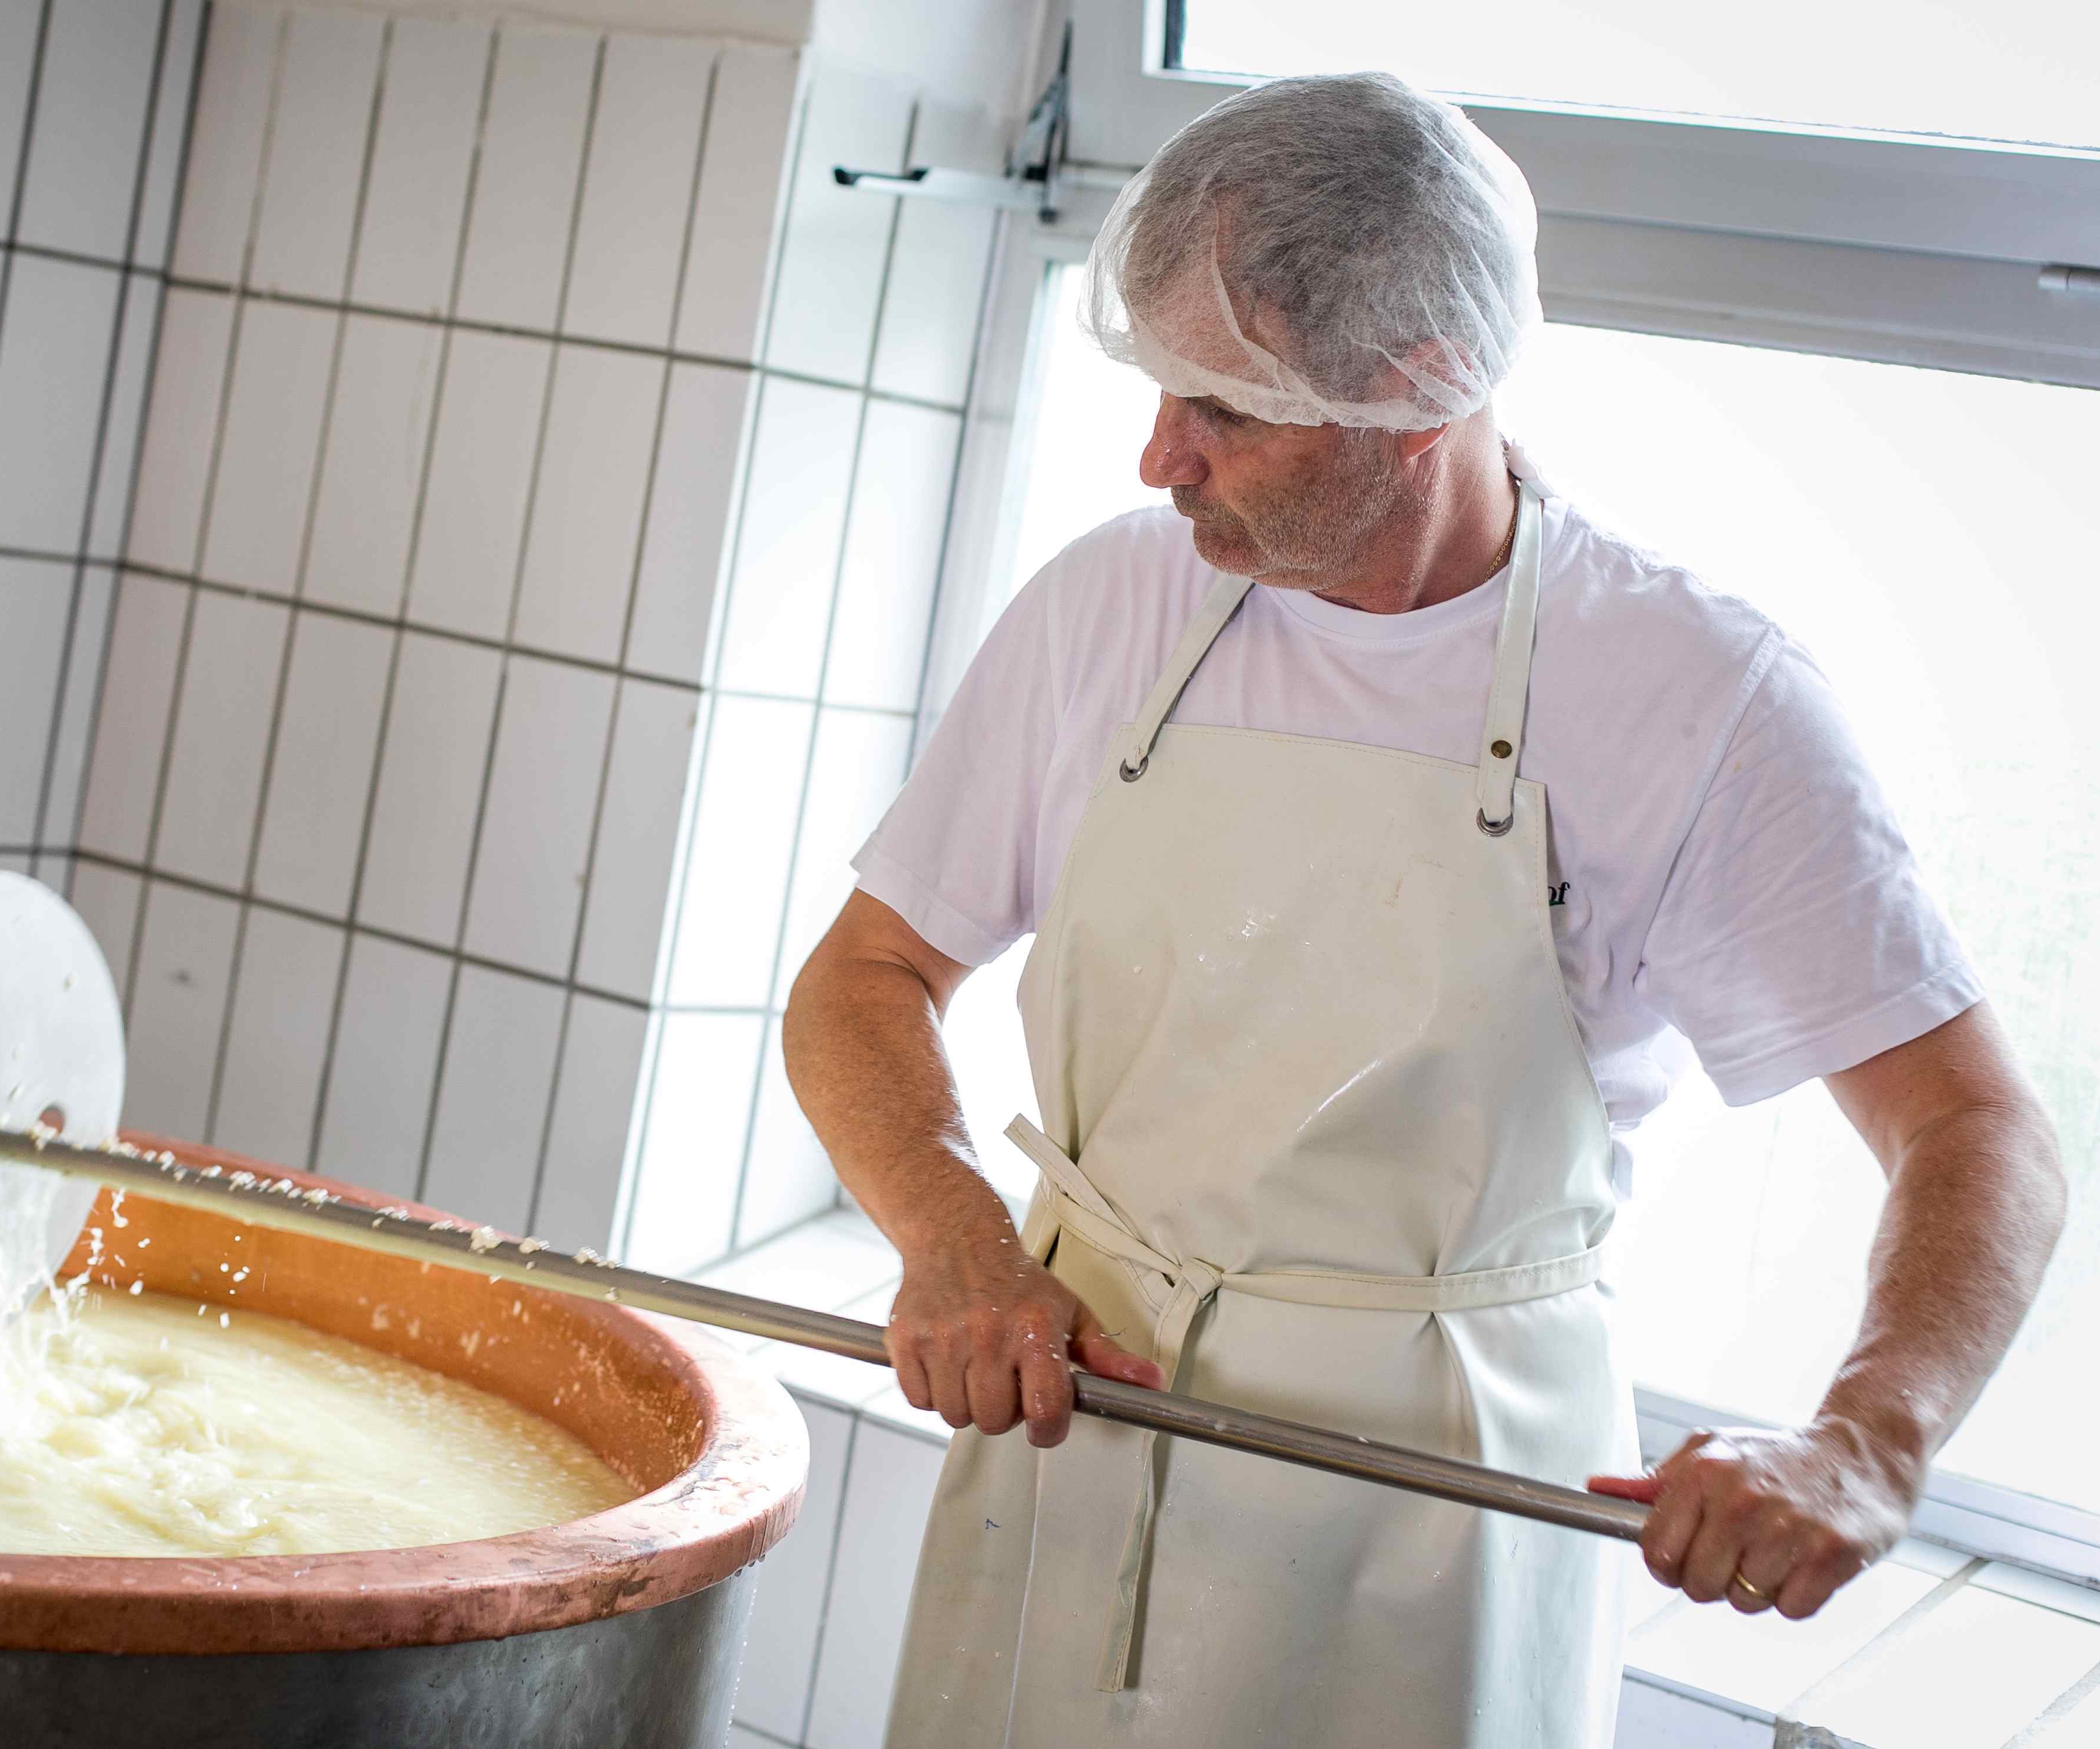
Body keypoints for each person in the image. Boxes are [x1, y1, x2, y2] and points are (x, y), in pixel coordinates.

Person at [780, 70, 2064, 1749]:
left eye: (1224, 408)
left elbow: (1974, 1124)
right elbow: (866, 972)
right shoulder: (1111, 604)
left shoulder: (1694, 695)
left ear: (1418, 388)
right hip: (1081, 1419)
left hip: (1435, 1509)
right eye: (1159, 391)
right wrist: (953, 1240)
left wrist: (1865, 1440)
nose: (1159, 459)